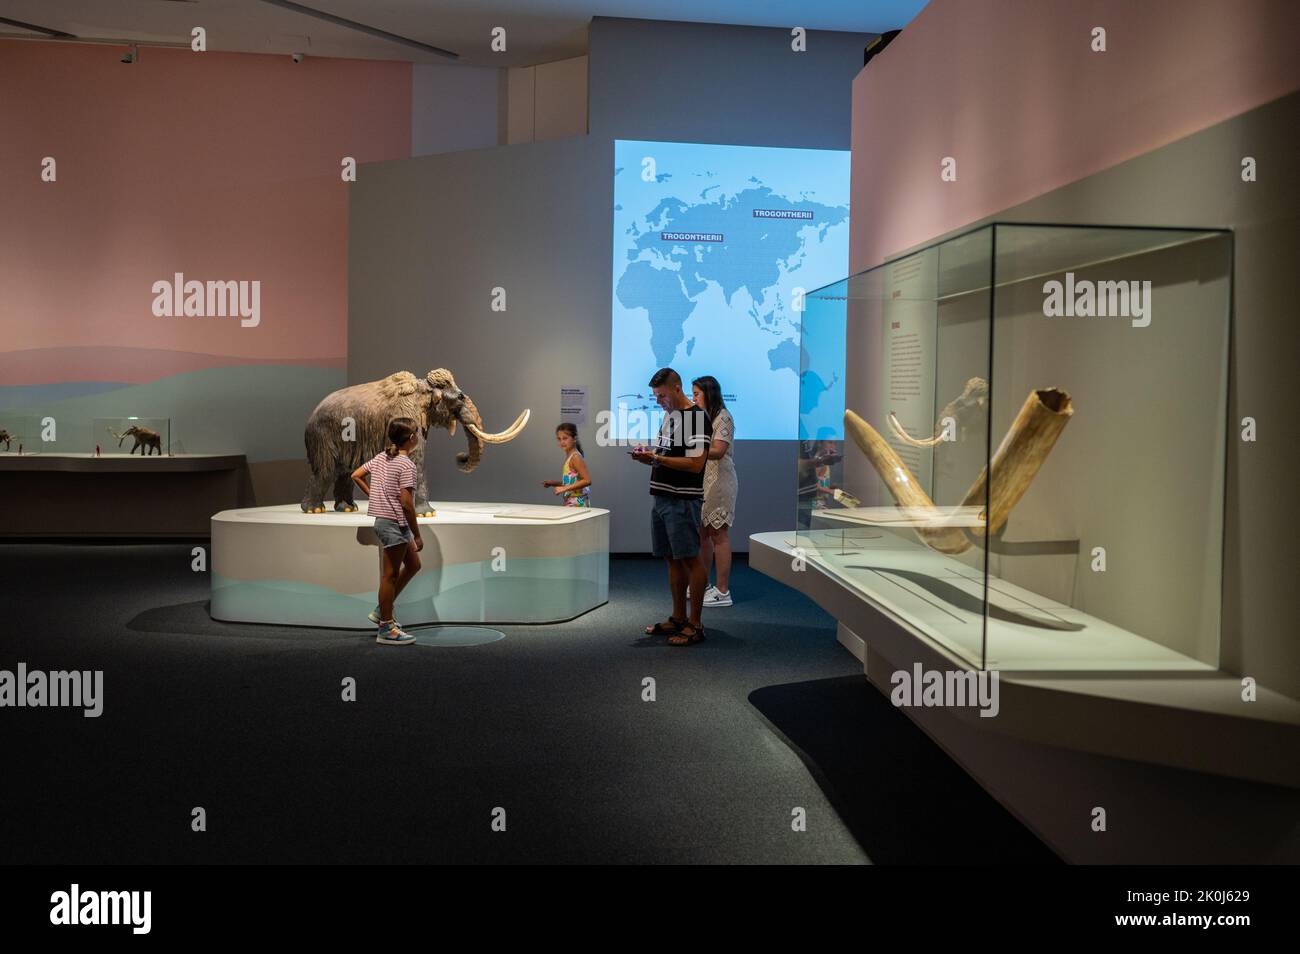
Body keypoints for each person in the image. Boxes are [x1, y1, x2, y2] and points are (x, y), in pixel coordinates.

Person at [631, 367, 712, 646]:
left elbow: (695, 464)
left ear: (677, 388)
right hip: (663, 497)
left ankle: (696, 624)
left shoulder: (696, 419)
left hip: (682, 499)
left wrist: (657, 459)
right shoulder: (670, 417)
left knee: (691, 559)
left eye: (661, 395)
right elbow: (668, 455)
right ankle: (678, 618)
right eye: (655, 396)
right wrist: (651, 457)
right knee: (672, 558)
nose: (658, 401)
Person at [351, 417, 424, 645]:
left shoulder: (383, 457)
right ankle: (386, 627)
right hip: (393, 524)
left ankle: (381, 610)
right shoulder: (406, 465)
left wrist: (374, 494)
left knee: (414, 565)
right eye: (417, 433)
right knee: (390, 576)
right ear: (411, 438)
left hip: (391, 523)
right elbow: (406, 503)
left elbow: (356, 474)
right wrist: (417, 533)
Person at [691, 375, 737, 607]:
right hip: (704, 481)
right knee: (703, 534)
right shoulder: (702, 418)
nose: (693, 398)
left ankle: (722, 591)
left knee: (719, 534)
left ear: (709, 394)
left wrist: (688, 449)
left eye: (696, 394)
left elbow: (718, 450)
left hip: (720, 481)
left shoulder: (723, 417)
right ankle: (704, 583)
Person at [541, 422, 592, 507]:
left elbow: (587, 480)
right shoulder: (570, 457)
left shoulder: (575, 457)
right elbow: (573, 482)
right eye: (559, 439)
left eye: (565, 438)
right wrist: (554, 483)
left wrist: (564, 488)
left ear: (574, 438)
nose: (562, 442)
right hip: (572, 502)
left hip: (578, 503)